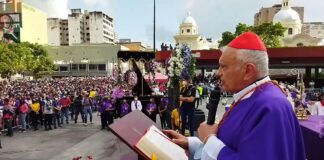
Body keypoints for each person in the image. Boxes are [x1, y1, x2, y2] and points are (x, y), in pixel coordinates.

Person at [164, 32, 305, 160]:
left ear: (248, 71)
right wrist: (192, 144)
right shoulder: (249, 97)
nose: (218, 73)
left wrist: (209, 139)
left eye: (223, 66)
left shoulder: (271, 107)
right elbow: (232, 144)